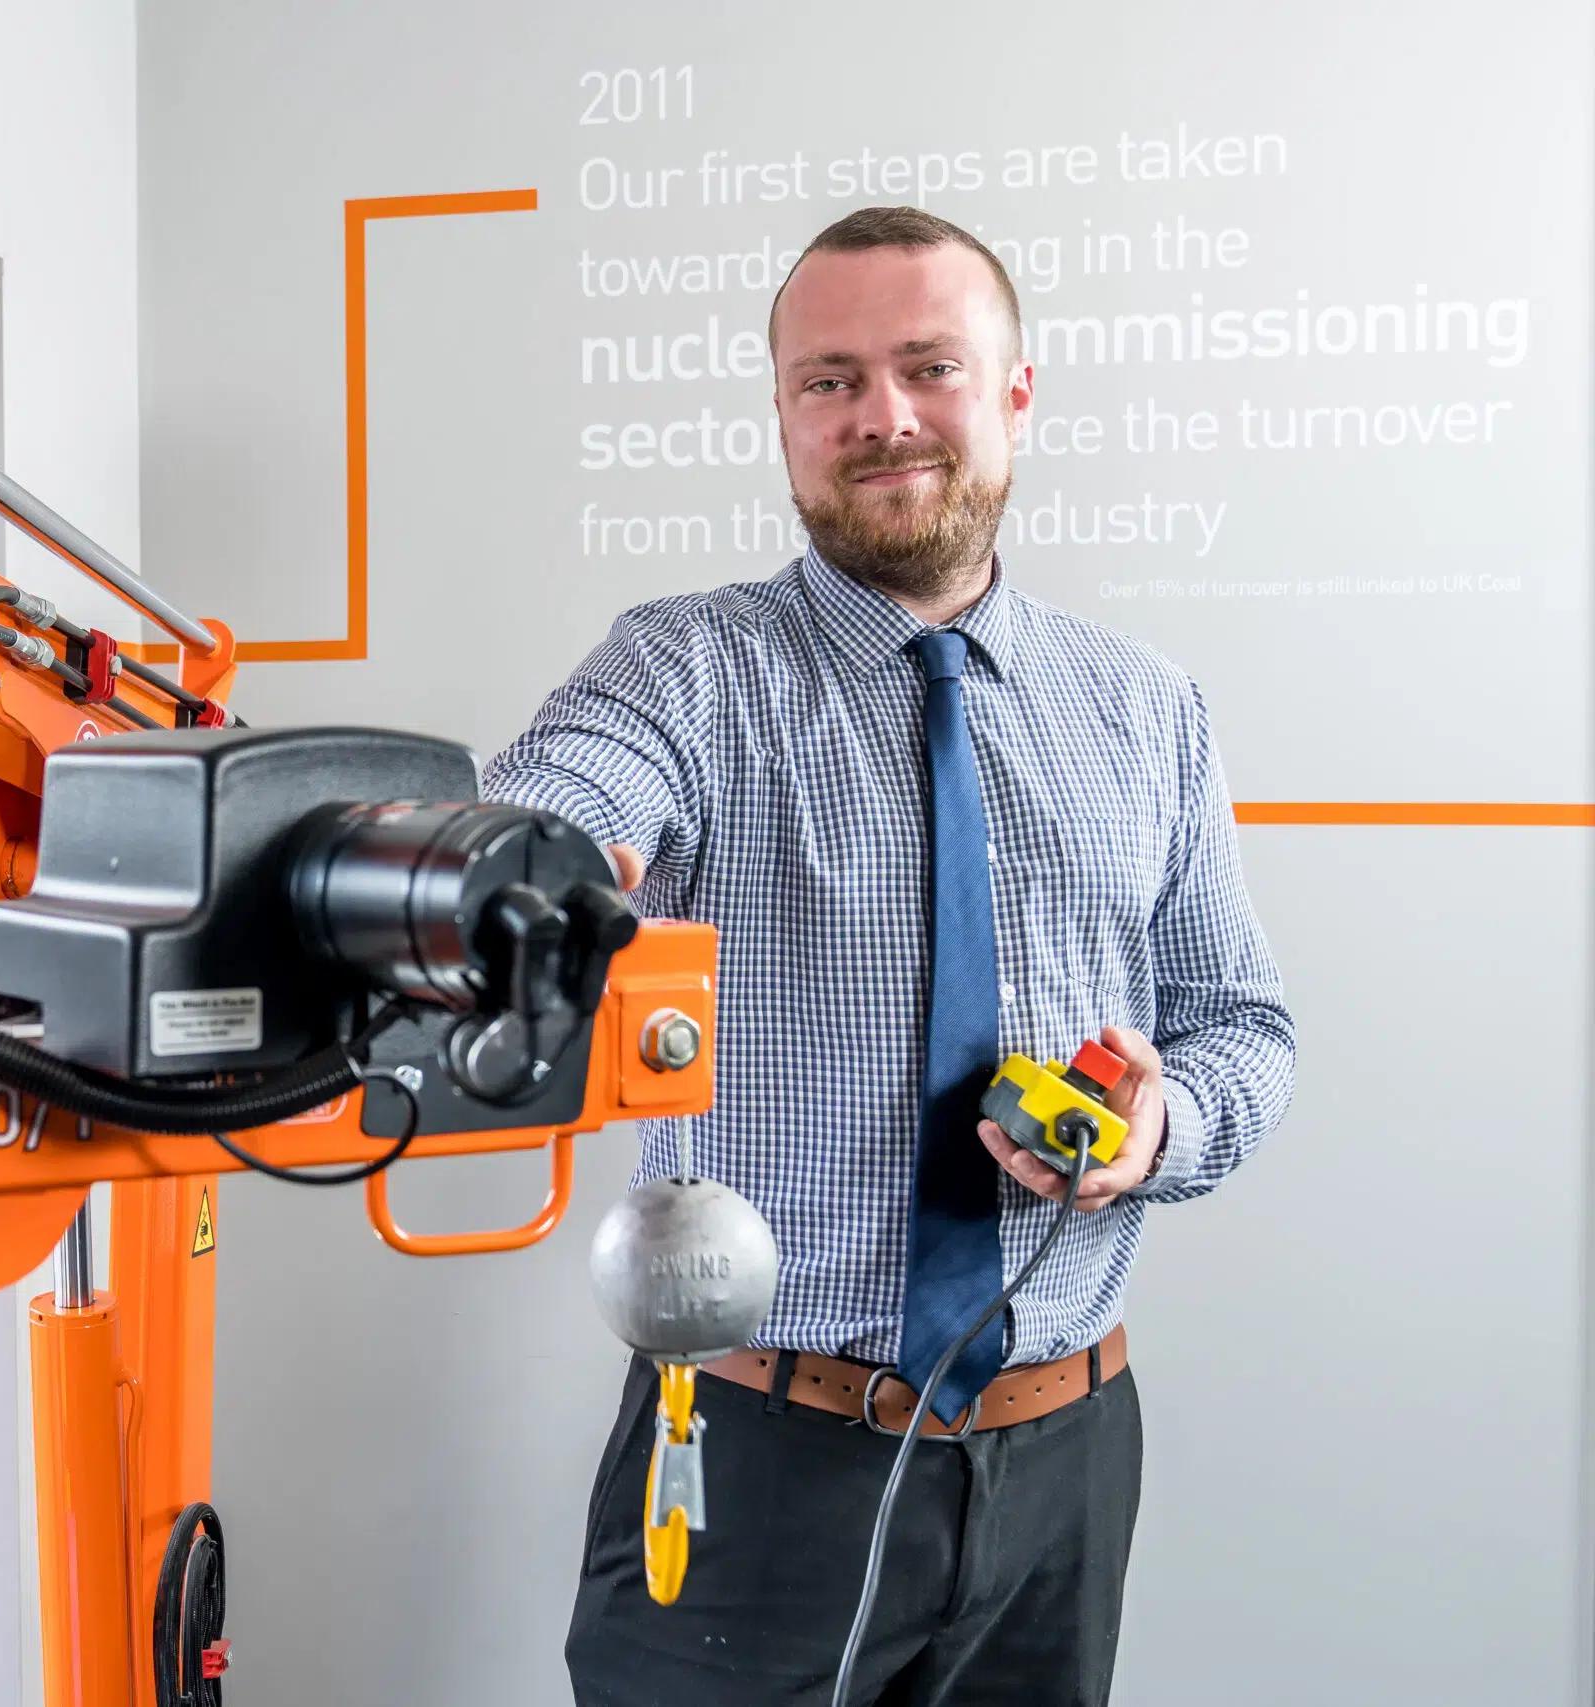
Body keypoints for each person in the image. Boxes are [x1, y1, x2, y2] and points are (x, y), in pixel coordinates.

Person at [479, 205, 1296, 1704]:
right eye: (830, 379)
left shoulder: (1145, 707)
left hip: (1066, 1459)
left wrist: (1155, 1127)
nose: (884, 418)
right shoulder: (684, 668)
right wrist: (527, 879)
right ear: (785, 415)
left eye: (929, 366)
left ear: (1016, 394)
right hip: (756, 1464)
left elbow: (1243, 1023)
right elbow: (560, 804)